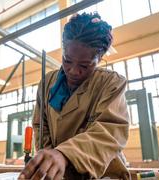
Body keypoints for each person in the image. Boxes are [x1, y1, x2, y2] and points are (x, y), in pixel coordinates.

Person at [18, 12, 130, 179]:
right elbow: (41, 126)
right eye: (67, 60)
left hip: (103, 174)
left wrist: (64, 154)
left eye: (85, 65)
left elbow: (108, 132)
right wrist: (49, 160)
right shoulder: (47, 82)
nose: (73, 71)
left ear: (99, 59)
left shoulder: (110, 83)